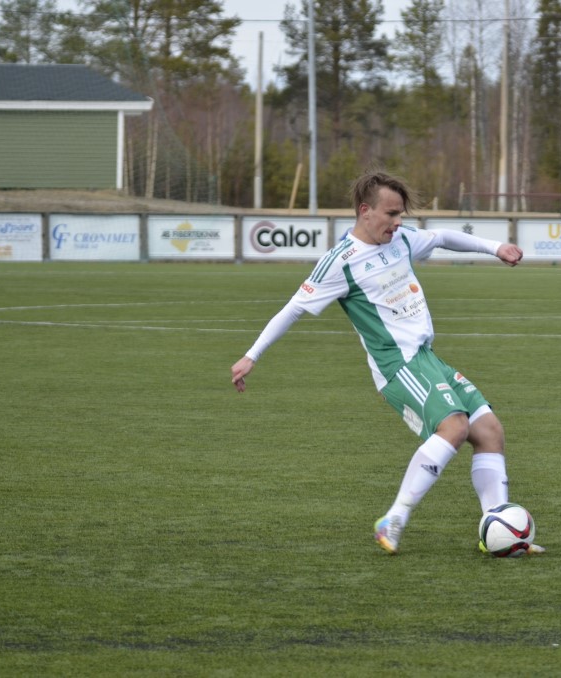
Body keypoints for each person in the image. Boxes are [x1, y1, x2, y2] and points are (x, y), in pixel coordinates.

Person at [231, 171, 543, 556]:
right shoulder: (340, 263)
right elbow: (293, 309)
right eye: (391, 214)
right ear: (365, 211)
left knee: (490, 431)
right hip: (398, 366)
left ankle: (497, 529)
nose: (397, 223)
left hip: (427, 358)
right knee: (455, 427)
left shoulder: (401, 240)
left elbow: (442, 237)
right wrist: (252, 355)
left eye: (400, 215)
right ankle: (394, 517)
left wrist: (495, 248)